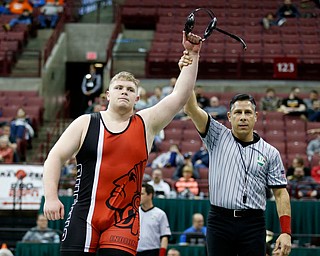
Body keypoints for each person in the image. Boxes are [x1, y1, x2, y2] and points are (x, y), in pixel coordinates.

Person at [42, 31, 202, 256]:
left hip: (124, 220)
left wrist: (193, 54)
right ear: (108, 94)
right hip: (84, 215)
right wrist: (51, 197)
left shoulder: (146, 123)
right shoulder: (86, 122)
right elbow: (54, 157)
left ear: (138, 98)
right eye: (119, 88)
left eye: (130, 90)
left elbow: (179, 96)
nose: (124, 92)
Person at [179, 51, 291, 256]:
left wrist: (286, 232)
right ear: (229, 116)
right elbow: (190, 107)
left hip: (253, 222)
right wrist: (186, 70)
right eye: (238, 113)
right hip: (219, 220)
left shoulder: (270, 152)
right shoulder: (216, 135)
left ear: (256, 117)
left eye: (248, 113)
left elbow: (280, 192)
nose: (243, 117)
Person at [136, 183, 171, 256]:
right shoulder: (135, 212)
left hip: (152, 251)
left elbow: (164, 236)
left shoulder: (160, 214)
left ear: (150, 195)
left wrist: (162, 253)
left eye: (142, 194)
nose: (139, 196)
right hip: (135, 250)